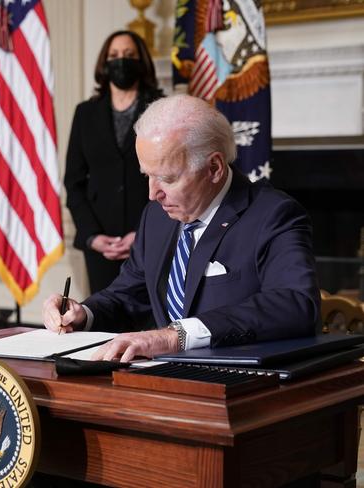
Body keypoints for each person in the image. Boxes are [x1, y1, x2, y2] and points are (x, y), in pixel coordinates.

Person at [44, 94, 320, 362]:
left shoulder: (273, 215)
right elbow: (127, 296)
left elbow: (295, 303)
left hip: (239, 390)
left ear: (214, 168)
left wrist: (175, 336)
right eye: (147, 176)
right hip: (162, 385)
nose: (153, 194)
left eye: (167, 178)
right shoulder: (156, 216)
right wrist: (83, 313)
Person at [64, 30, 163, 293]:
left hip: (149, 237)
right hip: (101, 243)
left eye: (129, 55)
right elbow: (73, 183)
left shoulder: (161, 109)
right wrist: (91, 236)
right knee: (103, 320)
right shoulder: (85, 113)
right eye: (115, 55)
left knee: (148, 324)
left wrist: (142, 234)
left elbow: (171, 177)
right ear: (104, 63)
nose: (122, 61)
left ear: (141, 62)